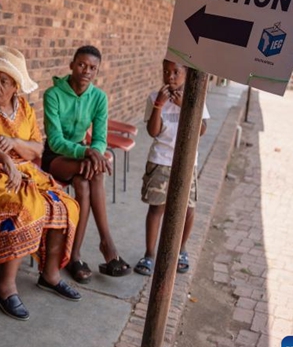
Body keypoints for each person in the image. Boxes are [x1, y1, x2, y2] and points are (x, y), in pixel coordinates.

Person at [0, 46, 82, 321]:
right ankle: (4, 287)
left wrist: (15, 144)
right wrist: (5, 158)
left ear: (16, 85)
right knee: (21, 207)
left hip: (25, 171)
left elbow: (38, 149)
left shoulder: (25, 108)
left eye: (4, 81)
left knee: (63, 205)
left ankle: (50, 275)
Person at [42, 45, 131, 283]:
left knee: (85, 182)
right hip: (56, 156)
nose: (86, 71)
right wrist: (87, 152)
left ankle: (74, 256)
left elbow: (100, 138)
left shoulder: (99, 97)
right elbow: (56, 140)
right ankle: (107, 245)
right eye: (81, 64)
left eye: (93, 68)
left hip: (84, 155)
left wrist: (95, 153)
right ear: (71, 65)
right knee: (94, 172)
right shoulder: (53, 95)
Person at [134, 60, 209, 276]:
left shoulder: (196, 96)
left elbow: (201, 130)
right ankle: (149, 254)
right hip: (160, 160)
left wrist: (185, 106)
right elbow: (153, 131)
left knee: (188, 209)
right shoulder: (154, 97)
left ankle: (181, 250)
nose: (171, 77)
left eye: (176, 72)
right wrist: (159, 104)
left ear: (186, 73)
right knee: (157, 208)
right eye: (166, 72)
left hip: (186, 162)